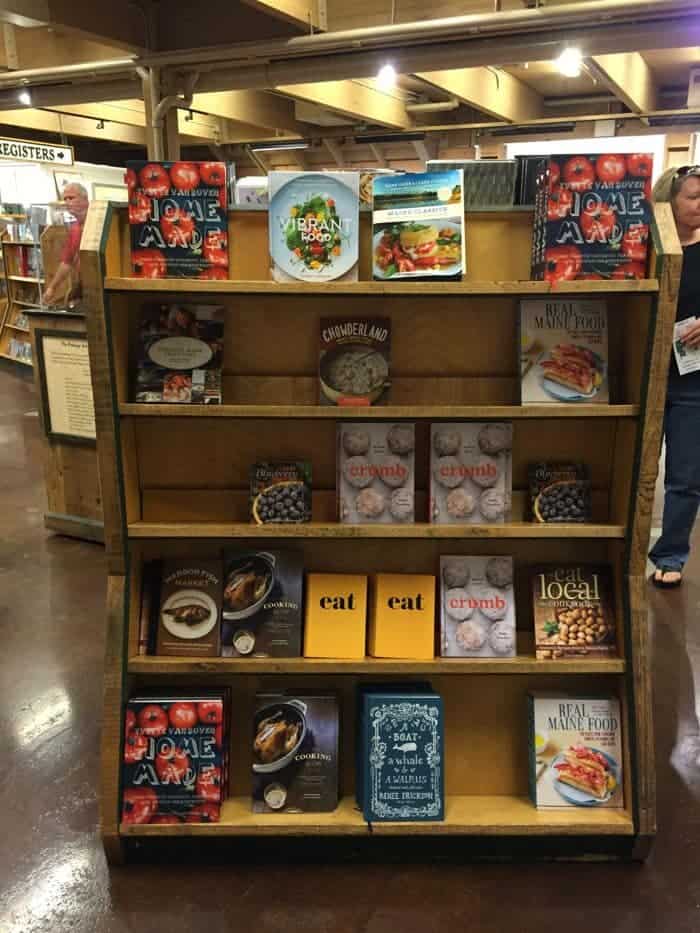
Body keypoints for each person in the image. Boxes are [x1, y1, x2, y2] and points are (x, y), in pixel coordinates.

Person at [649, 165, 700, 587]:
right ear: (669, 199)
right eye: (694, 196)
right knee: (637, 470)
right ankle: (623, 550)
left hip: (692, 380)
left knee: (685, 475)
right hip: (643, 372)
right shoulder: (646, 245)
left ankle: (670, 555)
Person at [42, 182, 89, 306]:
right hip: (85, 284)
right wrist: (52, 288)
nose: (68, 202)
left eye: (71, 198)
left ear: (85, 199)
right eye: (65, 199)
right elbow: (66, 261)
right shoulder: (75, 228)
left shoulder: (95, 221)